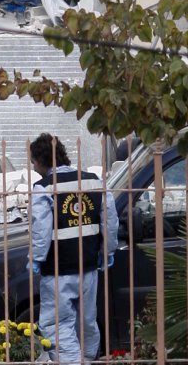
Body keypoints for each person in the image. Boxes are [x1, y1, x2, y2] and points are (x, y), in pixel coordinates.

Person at [28, 133, 119, 363]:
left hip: (58, 268)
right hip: (88, 266)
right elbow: (109, 219)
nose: (32, 166)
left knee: (55, 325)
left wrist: (36, 258)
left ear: (41, 159)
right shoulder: (93, 181)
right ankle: (87, 359)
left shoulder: (44, 187)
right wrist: (107, 250)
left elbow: (41, 229)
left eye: (33, 161)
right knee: (86, 322)